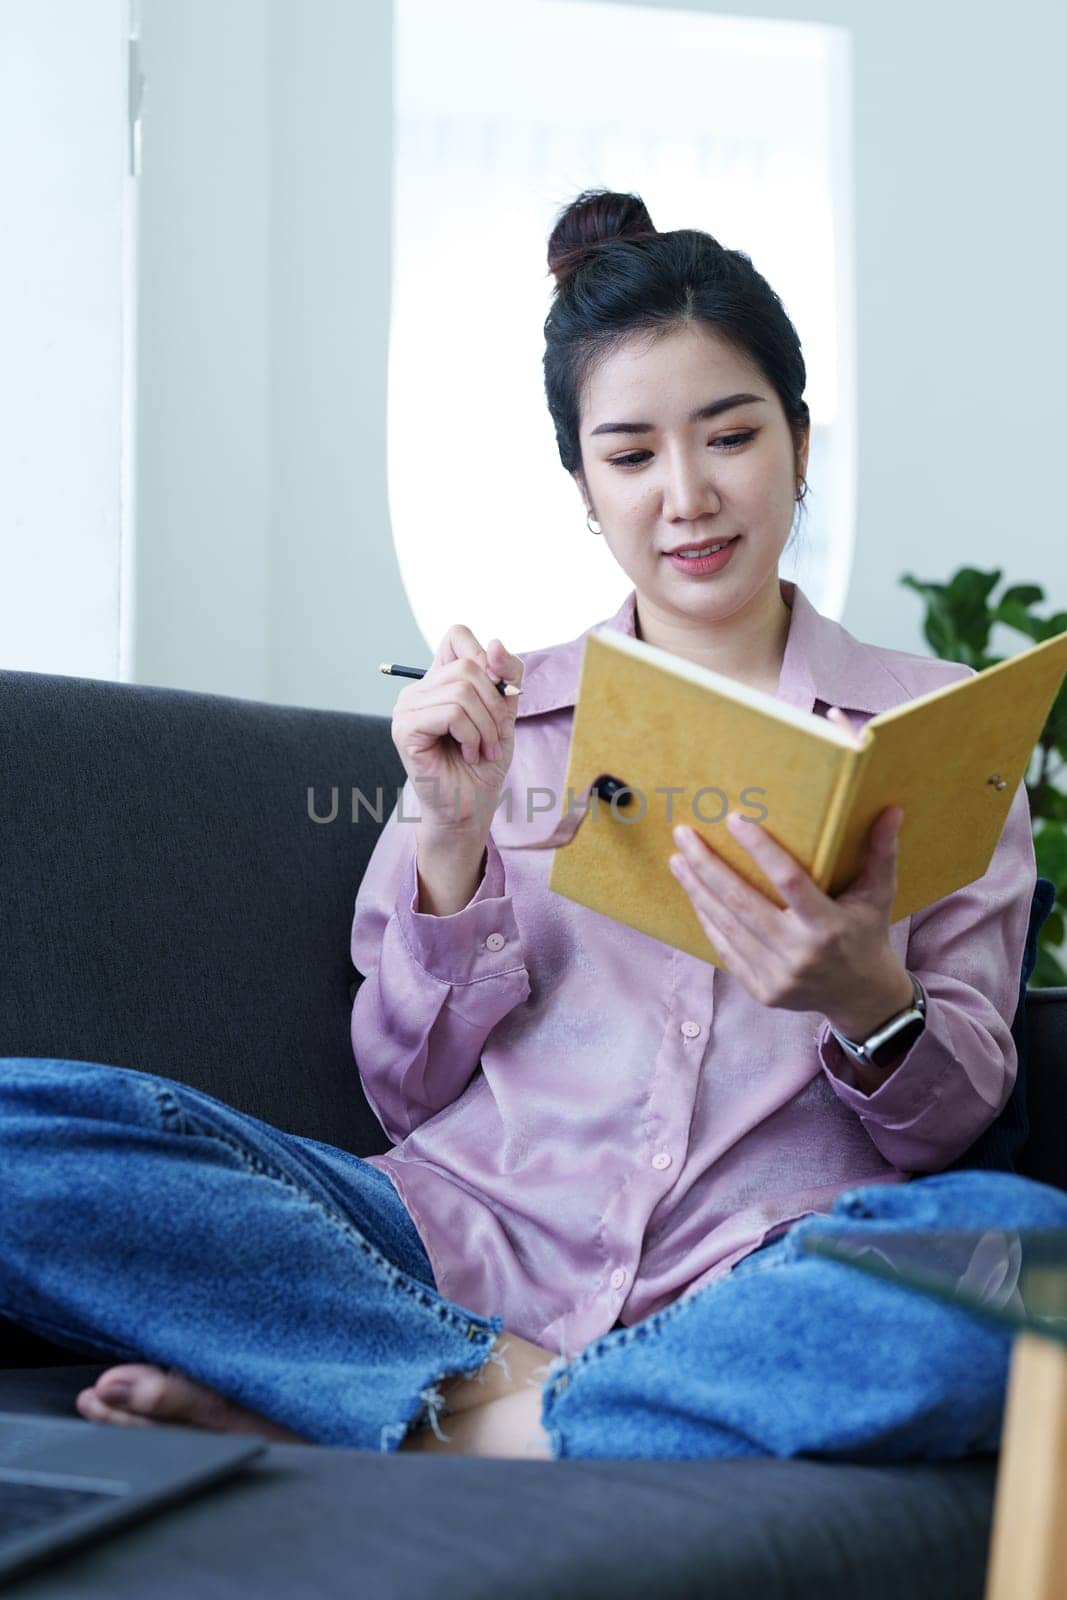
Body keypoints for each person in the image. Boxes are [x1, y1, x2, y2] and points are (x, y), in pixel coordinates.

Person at [3, 190, 1065, 1463]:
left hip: (751, 1280)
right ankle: (503, 1392)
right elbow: (401, 1090)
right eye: (628, 456)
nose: (686, 495)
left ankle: (426, 1413)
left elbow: (950, 1121)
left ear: (794, 440)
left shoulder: (939, 727)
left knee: (1015, 1262)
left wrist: (865, 997)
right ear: (582, 486)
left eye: (728, 436)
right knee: (29, 1133)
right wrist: (450, 841)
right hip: (448, 1240)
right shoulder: (508, 723)